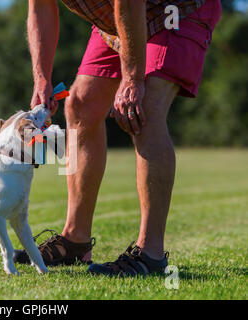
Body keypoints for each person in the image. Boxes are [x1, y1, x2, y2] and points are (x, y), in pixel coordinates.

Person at [13, 0, 222, 276]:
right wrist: (42, 77)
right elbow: (40, 6)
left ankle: (151, 254)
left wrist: (133, 78)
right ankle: (76, 240)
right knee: (80, 103)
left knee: (144, 107)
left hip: (176, 9)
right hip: (116, 21)